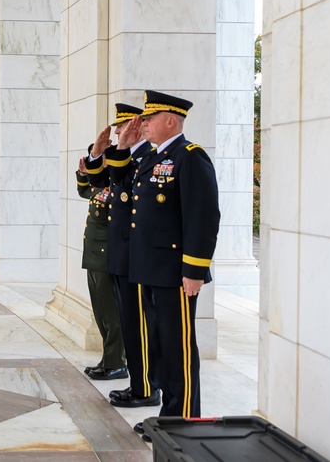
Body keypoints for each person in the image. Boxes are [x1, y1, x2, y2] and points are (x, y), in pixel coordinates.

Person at [130, 90, 219, 422]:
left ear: (171, 120)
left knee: (178, 349)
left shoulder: (190, 157)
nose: (145, 124)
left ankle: (181, 421)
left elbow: (203, 217)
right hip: (152, 270)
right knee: (161, 348)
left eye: (150, 119)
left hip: (176, 274)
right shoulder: (155, 157)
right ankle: (169, 415)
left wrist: (195, 269)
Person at [84, 103, 161, 407]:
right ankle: (140, 386)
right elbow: (101, 185)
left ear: (137, 126)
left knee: (140, 325)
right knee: (131, 323)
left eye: (121, 127)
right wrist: (96, 156)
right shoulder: (129, 157)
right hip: (122, 253)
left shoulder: (150, 158)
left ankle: (147, 388)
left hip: (137, 255)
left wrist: (118, 151)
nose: (117, 132)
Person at [75, 157, 127, 381]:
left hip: (107, 258)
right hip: (94, 256)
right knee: (100, 312)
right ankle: (108, 359)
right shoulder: (102, 186)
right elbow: (85, 192)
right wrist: (82, 174)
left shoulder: (119, 185)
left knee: (111, 313)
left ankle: (117, 363)